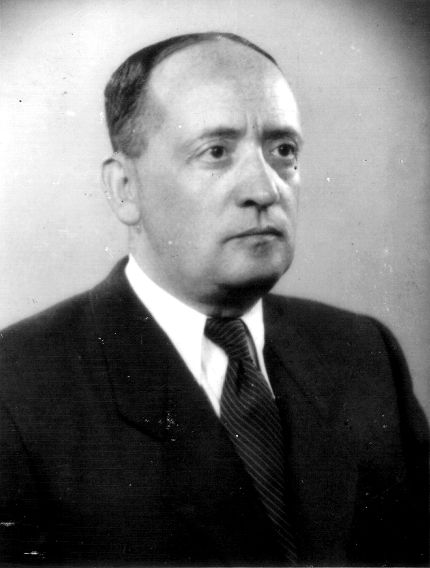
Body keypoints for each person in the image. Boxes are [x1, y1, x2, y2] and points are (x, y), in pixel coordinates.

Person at [0, 32, 428, 567]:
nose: (265, 190)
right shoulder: (18, 386)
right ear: (125, 189)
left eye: (283, 151)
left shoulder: (362, 353)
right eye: (216, 152)